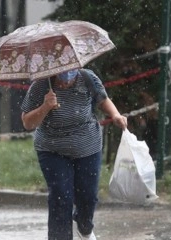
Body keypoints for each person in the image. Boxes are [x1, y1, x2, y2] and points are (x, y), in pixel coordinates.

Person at [21, 68, 127, 240]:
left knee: (88, 196)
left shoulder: (87, 78)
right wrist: (45, 106)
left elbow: (103, 99)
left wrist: (115, 115)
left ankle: (85, 226)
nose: (66, 80)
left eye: (70, 75)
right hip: (52, 149)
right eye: (62, 76)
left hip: (88, 147)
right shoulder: (41, 85)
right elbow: (27, 122)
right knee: (61, 195)